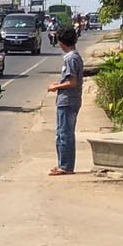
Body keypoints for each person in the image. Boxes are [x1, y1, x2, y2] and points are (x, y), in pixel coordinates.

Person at [47, 26, 82, 175]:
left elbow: (72, 82)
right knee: (62, 132)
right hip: (67, 100)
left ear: (62, 43)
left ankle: (66, 166)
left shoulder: (71, 59)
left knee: (65, 133)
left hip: (68, 100)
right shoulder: (73, 57)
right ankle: (63, 163)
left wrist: (56, 87)